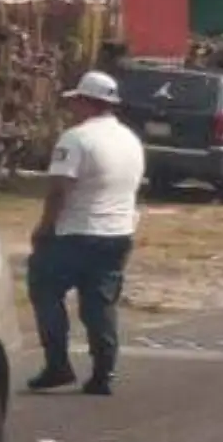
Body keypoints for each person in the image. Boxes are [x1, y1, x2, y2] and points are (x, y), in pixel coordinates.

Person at [26, 71, 145, 396]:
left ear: (85, 102)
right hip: (118, 232)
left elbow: (59, 190)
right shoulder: (130, 140)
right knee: (100, 304)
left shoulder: (76, 139)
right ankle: (104, 371)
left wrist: (44, 228)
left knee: (44, 288)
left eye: (76, 102)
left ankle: (57, 363)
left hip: (76, 231)